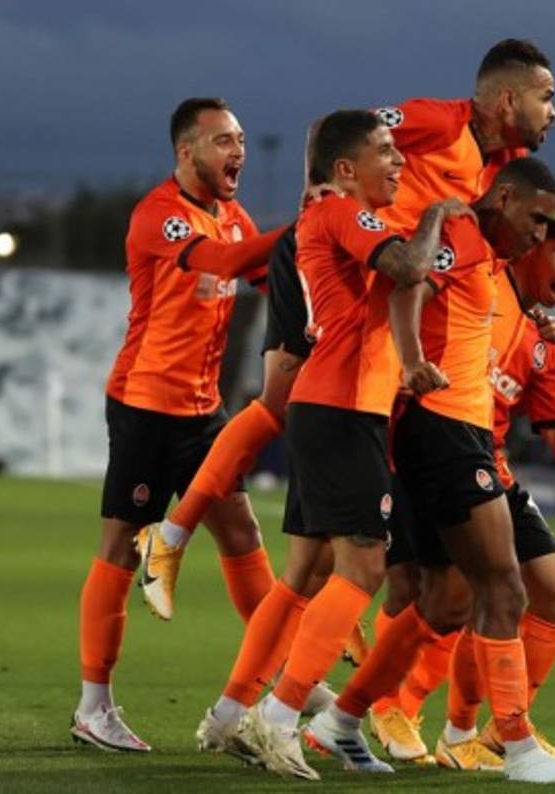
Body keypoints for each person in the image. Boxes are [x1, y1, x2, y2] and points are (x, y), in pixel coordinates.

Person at [137, 37, 555, 627]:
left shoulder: (490, 171)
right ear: (507, 100)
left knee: (342, 440)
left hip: (372, 279)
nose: (553, 113)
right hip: (337, 254)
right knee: (282, 400)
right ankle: (172, 535)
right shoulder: (440, 122)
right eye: (546, 97)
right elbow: (334, 128)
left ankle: (297, 657)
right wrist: (318, 193)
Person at [335, 199, 555, 772]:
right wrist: (409, 363)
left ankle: (482, 732)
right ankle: (373, 708)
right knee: (433, 594)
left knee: (549, 592)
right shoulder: (478, 280)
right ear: (532, 244)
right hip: (422, 452)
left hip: (486, 467)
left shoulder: (543, 341)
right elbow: (406, 289)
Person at [300, 157, 555, 785]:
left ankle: (341, 719)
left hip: (455, 433)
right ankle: (510, 745)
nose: (540, 236)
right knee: (502, 589)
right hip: (445, 429)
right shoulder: (459, 234)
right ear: (505, 198)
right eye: (537, 221)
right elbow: (410, 289)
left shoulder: (489, 256)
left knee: (449, 602)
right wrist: (410, 362)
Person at [193, 109, 463, 780]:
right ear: (346, 169)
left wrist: (406, 361)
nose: (399, 162)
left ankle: (230, 713)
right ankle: (279, 717)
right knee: (363, 570)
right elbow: (407, 267)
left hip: (331, 404)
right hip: (343, 409)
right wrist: (438, 215)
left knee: (304, 577)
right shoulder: (347, 212)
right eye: (385, 152)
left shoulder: (336, 216)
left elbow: (394, 286)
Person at [72, 97, 288, 753]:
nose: (238, 153)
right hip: (145, 405)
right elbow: (221, 265)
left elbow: (264, 277)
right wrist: (312, 227)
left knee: (242, 530)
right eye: (223, 140)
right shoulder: (160, 216)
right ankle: (93, 706)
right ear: (185, 151)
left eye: (242, 140)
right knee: (121, 545)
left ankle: (281, 682)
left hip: (203, 410)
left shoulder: (234, 216)